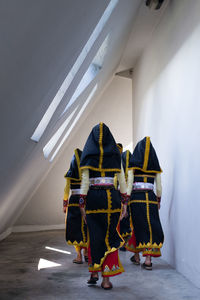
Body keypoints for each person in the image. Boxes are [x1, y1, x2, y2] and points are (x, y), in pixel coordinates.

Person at [79, 122, 128, 289]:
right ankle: (106, 280)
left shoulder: (87, 156)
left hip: (93, 200)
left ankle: (94, 272)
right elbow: (122, 181)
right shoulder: (115, 155)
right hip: (112, 199)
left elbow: (85, 184)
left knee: (95, 237)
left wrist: (82, 205)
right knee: (111, 236)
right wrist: (125, 203)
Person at [127, 136, 164, 270]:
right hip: (151, 198)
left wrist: (126, 201)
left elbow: (129, 185)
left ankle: (137, 256)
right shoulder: (155, 167)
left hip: (136, 199)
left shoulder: (133, 166)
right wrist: (158, 200)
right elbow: (158, 187)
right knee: (151, 227)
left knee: (138, 226)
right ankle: (147, 259)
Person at [63, 148, 88, 264]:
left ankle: (79, 256)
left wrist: (64, 204)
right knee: (86, 227)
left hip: (73, 202)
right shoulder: (86, 172)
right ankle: (87, 253)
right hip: (85, 201)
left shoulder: (70, 174)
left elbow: (66, 189)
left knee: (75, 229)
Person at [118, 148, 132, 250]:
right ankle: (125, 241)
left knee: (124, 217)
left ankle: (123, 242)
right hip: (130, 193)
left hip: (122, 193)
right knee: (126, 217)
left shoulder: (119, 169)